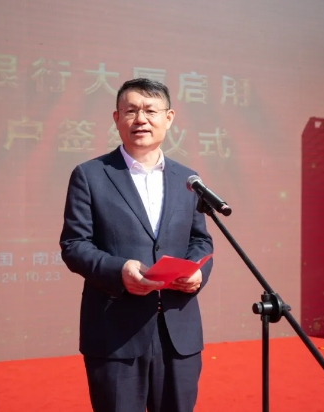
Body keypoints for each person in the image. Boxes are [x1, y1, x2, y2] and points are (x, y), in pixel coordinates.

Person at [59, 78, 214, 412]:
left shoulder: (188, 180)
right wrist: (120, 270)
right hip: (115, 332)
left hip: (178, 332)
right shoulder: (90, 175)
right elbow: (74, 244)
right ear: (117, 118)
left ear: (169, 118)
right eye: (130, 111)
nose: (140, 119)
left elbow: (200, 240)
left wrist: (198, 273)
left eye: (150, 111)